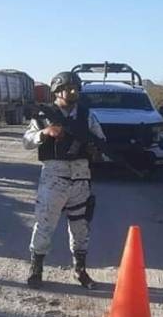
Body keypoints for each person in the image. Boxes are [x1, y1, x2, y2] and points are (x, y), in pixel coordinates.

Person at [22, 70, 107, 289]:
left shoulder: (87, 116)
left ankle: (80, 270)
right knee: (44, 225)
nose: (73, 91)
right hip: (54, 177)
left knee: (81, 227)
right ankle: (36, 269)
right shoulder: (45, 115)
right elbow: (27, 141)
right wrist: (45, 132)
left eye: (76, 88)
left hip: (80, 178)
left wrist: (95, 150)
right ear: (57, 91)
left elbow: (101, 142)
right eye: (68, 88)